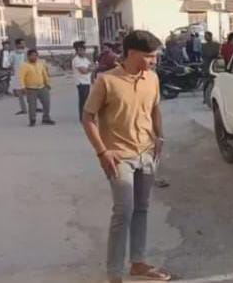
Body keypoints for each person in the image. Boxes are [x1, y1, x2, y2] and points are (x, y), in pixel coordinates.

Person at [82, 30, 173, 283]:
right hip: (118, 157)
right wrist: (102, 151)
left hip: (146, 152)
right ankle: (114, 273)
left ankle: (138, 263)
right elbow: (87, 117)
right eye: (149, 56)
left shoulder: (152, 78)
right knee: (123, 211)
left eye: (155, 56)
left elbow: (155, 109)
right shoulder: (107, 81)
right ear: (131, 53)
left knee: (142, 208)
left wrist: (160, 137)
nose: (154, 60)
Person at [18, 49, 54, 127]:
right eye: (32, 55)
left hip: (42, 87)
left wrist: (47, 83)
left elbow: (44, 74)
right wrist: (23, 87)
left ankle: (46, 118)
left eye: (35, 55)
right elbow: (21, 78)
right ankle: (32, 120)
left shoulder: (40, 64)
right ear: (28, 56)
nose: (34, 57)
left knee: (46, 102)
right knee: (32, 105)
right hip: (31, 89)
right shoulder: (24, 66)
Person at [72, 41, 94, 122]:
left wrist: (90, 68)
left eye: (83, 50)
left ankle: (86, 116)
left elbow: (92, 66)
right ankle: (82, 117)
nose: (82, 52)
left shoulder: (85, 59)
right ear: (77, 51)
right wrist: (90, 69)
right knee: (83, 101)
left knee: (87, 100)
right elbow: (83, 71)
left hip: (87, 82)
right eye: (80, 50)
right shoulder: (76, 60)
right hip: (81, 82)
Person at [9, 38, 29, 115]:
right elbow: (10, 62)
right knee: (20, 94)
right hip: (17, 75)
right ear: (17, 44)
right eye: (22, 43)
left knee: (30, 92)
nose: (24, 44)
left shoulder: (27, 51)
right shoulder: (13, 53)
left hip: (27, 74)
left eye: (24, 43)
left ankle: (34, 107)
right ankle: (23, 109)